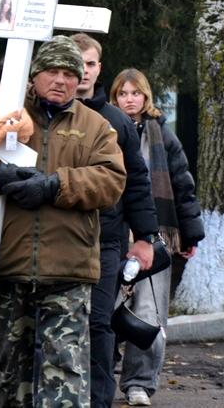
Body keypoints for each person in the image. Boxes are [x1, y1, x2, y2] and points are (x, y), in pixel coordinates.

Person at [0, 35, 126, 407]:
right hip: (7, 267)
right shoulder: (1, 115)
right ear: (34, 75)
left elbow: (111, 180)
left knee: (65, 380)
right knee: (7, 377)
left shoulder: (95, 127)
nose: (60, 81)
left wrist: (55, 185)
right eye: (51, 72)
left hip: (67, 272)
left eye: (68, 74)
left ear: (80, 80)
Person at [70, 33, 158, 408]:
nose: (83, 72)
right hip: (59, 238)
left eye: (90, 64)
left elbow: (137, 181)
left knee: (98, 322)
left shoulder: (117, 121)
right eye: (77, 63)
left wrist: (145, 237)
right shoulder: (45, 117)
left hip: (105, 239)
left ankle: (98, 399)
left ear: (99, 68)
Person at [110, 68, 204, 407]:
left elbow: (182, 184)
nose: (130, 99)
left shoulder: (162, 135)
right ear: (115, 97)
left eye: (136, 93)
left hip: (158, 235)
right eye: (123, 93)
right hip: (114, 233)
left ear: (146, 97)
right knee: (108, 308)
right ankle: (105, 372)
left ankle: (138, 383)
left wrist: (190, 234)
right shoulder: (105, 127)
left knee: (149, 312)